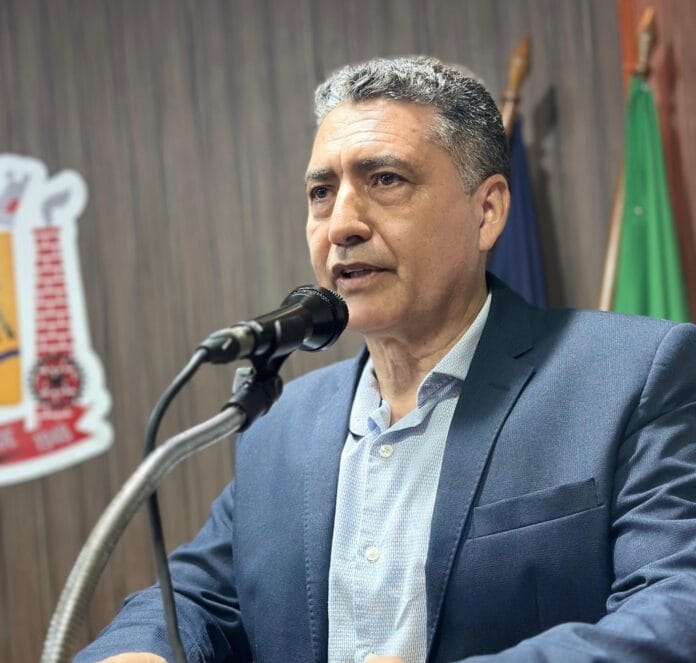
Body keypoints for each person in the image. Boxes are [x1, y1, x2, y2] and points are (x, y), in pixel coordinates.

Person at [77, 56, 696, 663]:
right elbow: (196, 598)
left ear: (486, 212)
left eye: (385, 180)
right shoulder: (281, 423)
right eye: (322, 192)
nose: (341, 225)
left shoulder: (630, 376)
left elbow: (676, 608)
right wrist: (137, 652)